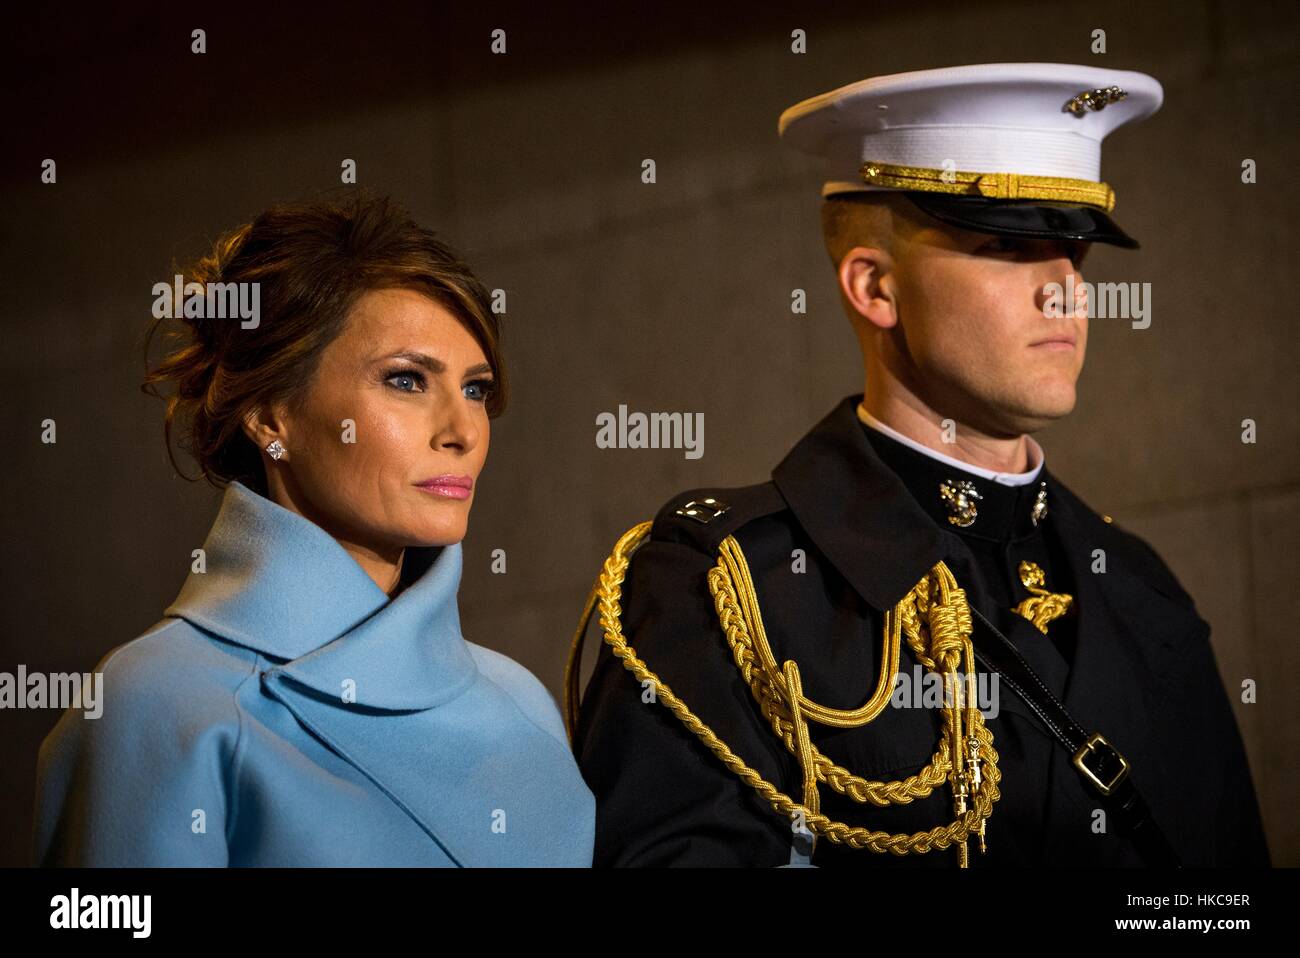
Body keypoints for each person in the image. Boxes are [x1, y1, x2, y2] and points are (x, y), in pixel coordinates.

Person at [568, 63, 1270, 867]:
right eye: (1006, 246)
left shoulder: (1142, 592)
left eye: (1074, 249)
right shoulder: (723, 586)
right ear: (875, 286)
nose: (1066, 292)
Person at [33, 190, 595, 867]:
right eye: (407, 380)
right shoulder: (155, 702)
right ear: (272, 415)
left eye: (475, 389)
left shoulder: (521, 705)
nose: (463, 431)